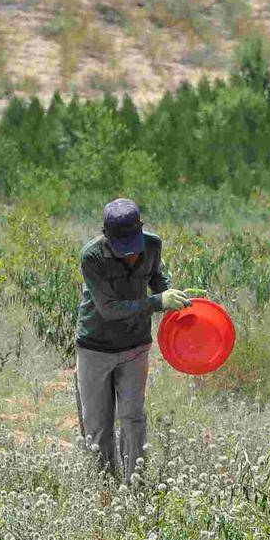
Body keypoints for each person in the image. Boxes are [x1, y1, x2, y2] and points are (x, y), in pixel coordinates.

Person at [75, 197, 203, 483]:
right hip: (95, 347)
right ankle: (104, 488)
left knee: (133, 418)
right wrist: (158, 301)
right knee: (98, 424)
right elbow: (109, 309)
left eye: (133, 245)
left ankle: (135, 486)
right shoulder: (91, 256)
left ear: (141, 229)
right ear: (106, 236)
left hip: (135, 346)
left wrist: (173, 297)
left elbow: (157, 279)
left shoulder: (153, 245)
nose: (130, 255)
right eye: (122, 248)